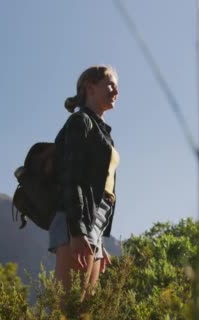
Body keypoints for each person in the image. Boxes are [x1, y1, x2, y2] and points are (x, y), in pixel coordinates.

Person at [49, 65, 120, 297]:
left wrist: (100, 239)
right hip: (78, 220)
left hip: (94, 221)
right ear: (90, 87)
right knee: (70, 306)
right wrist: (77, 232)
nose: (115, 89)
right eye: (110, 84)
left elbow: (102, 188)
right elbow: (72, 177)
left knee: (85, 309)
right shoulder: (80, 122)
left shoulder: (103, 132)